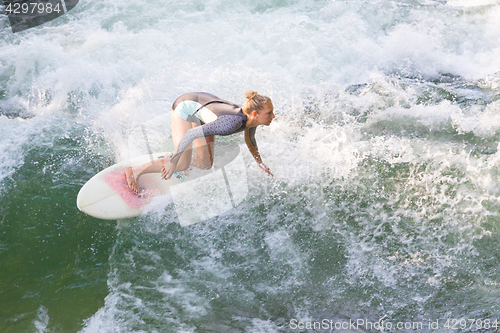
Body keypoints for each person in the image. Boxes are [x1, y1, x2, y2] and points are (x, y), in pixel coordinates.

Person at [125, 90, 275, 194]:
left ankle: (170, 157)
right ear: (255, 114)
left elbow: (250, 141)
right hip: (185, 107)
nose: (273, 116)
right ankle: (135, 170)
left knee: (205, 163)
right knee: (182, 163)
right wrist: (175, 161)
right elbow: (191, 133)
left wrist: (261, 164)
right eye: (269, 113)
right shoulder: (229, 124)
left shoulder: (250, 120)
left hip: (202, 112)